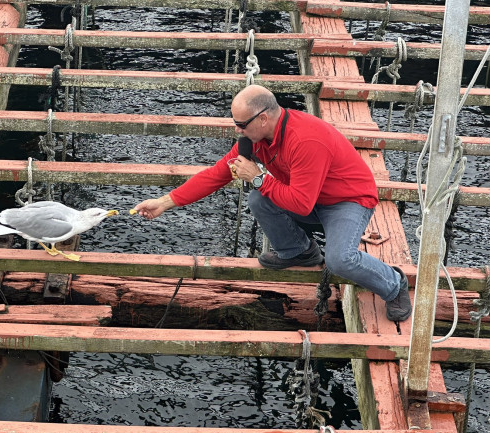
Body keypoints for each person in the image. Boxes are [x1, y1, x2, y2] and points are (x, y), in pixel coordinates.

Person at [133, 84, 412, 322]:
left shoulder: (305, 140)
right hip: (310, 198)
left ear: (263, 119)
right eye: (235, 124)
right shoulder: (254, 140)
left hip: (346, 201)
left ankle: (393, 284)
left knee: (340, 260)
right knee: (259, 201)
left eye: (241, 124)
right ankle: (299, 252)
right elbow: (217, 174)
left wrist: (258, 179)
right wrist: (164, 202)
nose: (238, 131)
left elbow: (301, 205)